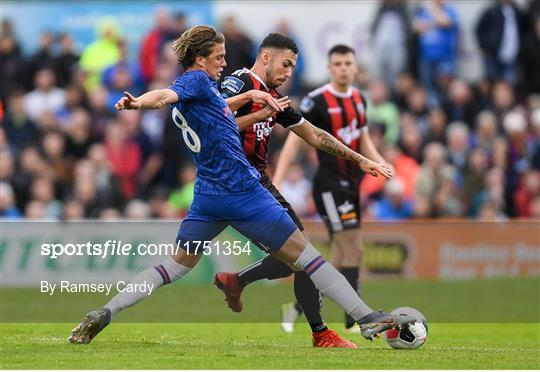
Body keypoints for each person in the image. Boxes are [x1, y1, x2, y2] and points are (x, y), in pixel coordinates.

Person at [68, 26, 413, 345]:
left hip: (207, 196)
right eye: (219, 57)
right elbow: (165, 95)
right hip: (242, 190)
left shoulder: (203, 94)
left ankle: (106, 311)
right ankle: (366, 318)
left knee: (173, 267)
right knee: (308, 257)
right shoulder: (196, 82)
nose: (224, 63)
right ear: (200, 59)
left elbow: (214, 110)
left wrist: (254, 100)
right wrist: (140, 102)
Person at [215, 44, 392, 335]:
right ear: (266, 57)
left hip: (259, 184)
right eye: (286, 64)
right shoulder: (241, 82)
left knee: (301, 257)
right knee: (313, 254)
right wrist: (256, 115)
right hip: (237, 186)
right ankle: (331, 327)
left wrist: (362, 160)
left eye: (293, 67)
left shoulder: (275, 98)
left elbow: (315, 135)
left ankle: (239, 282)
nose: (289, 73)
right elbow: (215, 123)